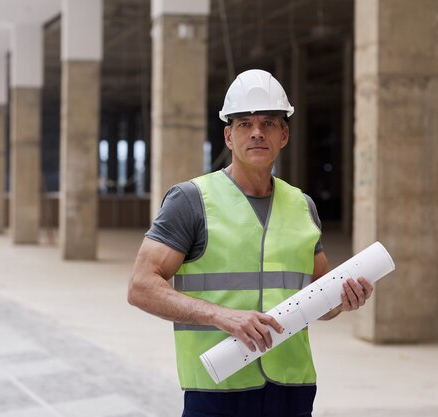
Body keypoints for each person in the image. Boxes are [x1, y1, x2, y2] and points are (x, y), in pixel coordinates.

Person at [127, 69, 374, 417]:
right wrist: (221, 316)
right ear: (228, 136)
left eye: (269, 123)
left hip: (292, 389)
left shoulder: (303, 206)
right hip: (218, 389)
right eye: (244, 123)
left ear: (284, 134)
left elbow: (321, 301)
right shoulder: (191, 200)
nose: (257, 132)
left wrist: (344, 300)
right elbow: (140, 286)